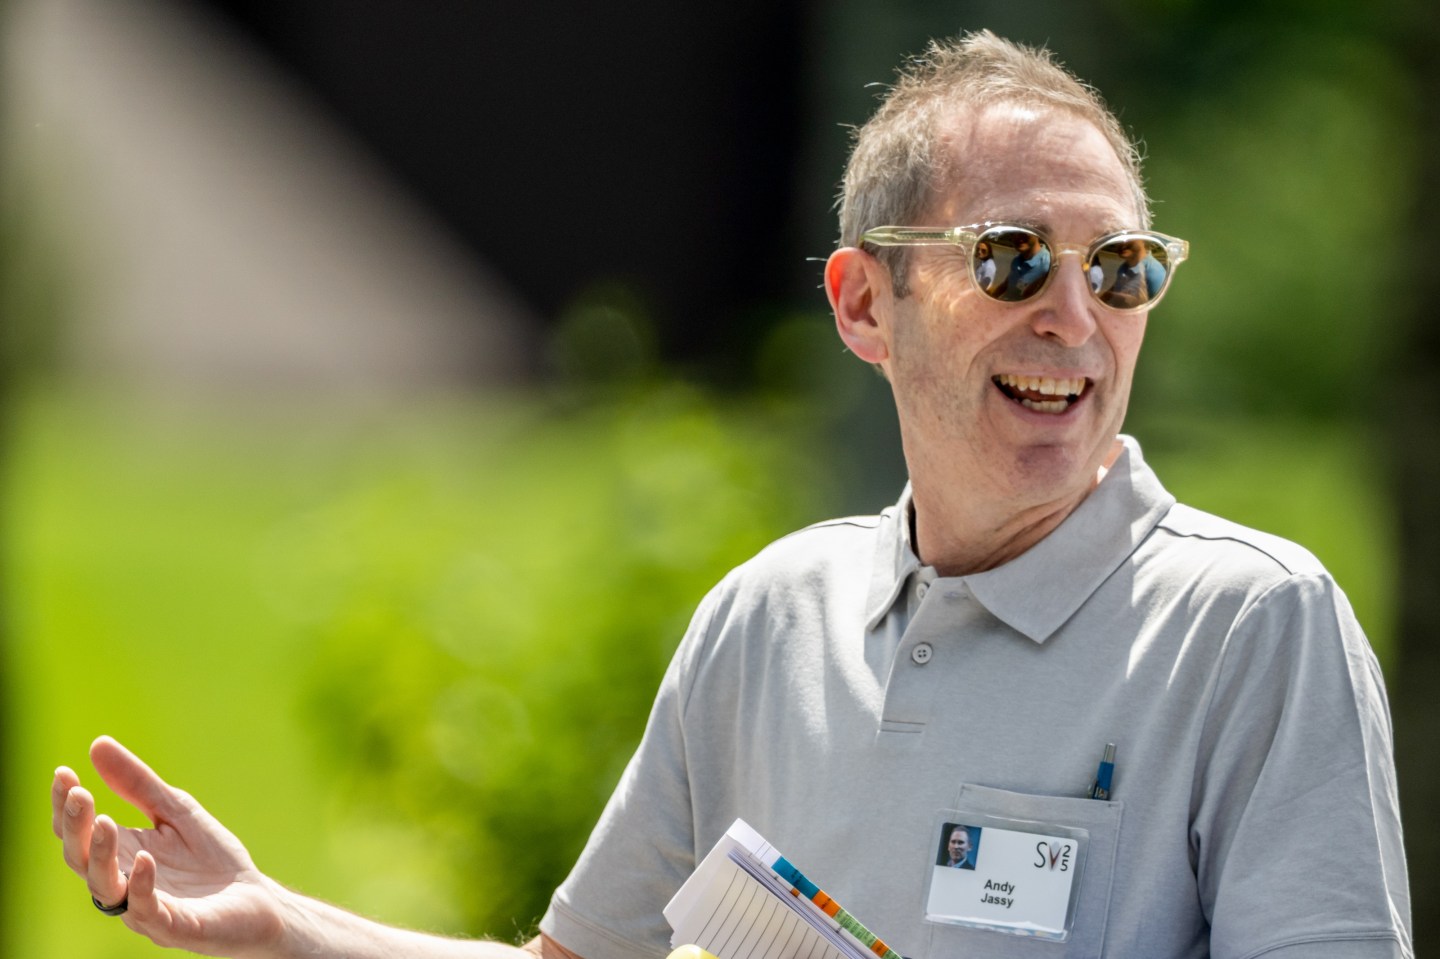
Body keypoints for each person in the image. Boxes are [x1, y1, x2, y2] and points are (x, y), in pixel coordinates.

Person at [51, 30, 1412, 959]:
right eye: (1012, 261)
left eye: (1119, 270)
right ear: (866, 302)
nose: (1076, 319)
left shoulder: (1255, 627)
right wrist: (281, 923)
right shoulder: (768, 619)